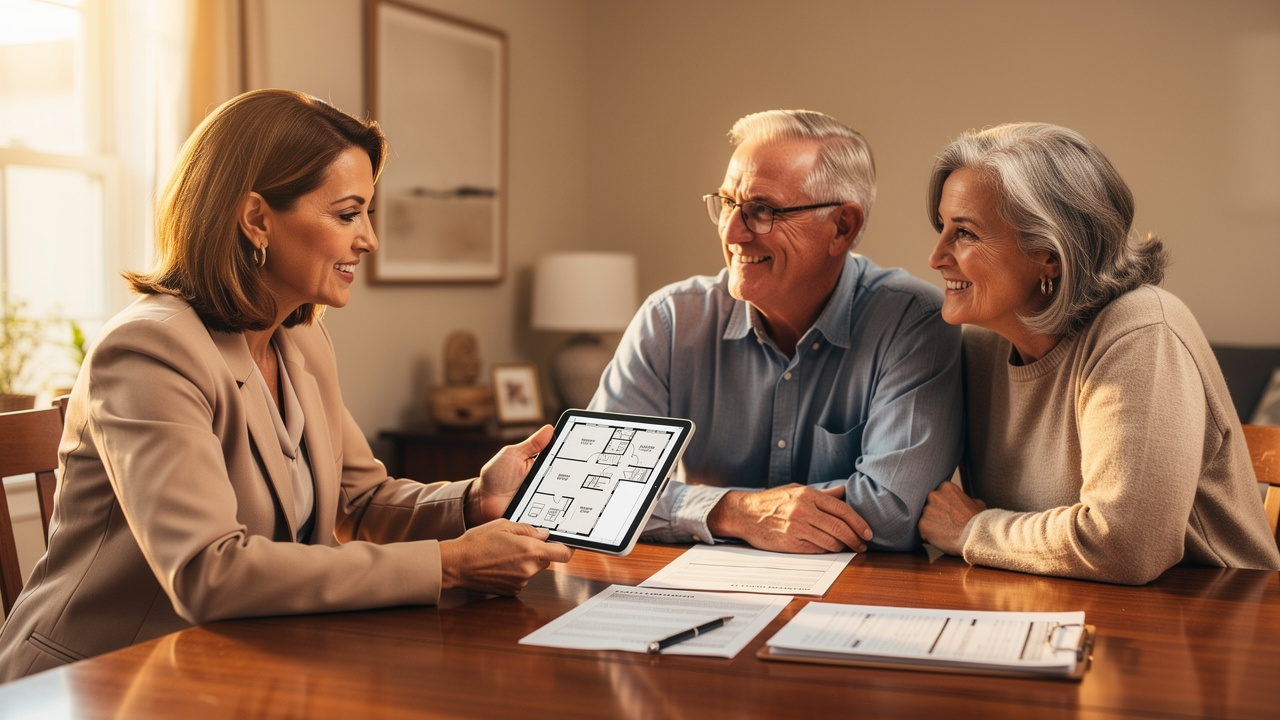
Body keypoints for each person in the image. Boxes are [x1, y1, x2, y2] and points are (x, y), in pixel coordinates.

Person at [0, 89, 572, 682]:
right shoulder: (150, 350)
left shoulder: (301, 340)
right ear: (256, 219)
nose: (369, 239)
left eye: (368, 214)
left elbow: (358, 501)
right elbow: (207, 571)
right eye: (347, 214)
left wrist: (474, 500)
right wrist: (448, 564)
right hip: (94, 681)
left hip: (235, 666)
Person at [917, 122, 1280, 584]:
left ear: (1050, 254)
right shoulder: (981, 345)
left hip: (1210, 612)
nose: (936, 256)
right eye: (942, 227)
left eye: (965, 233)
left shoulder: (1142, 330)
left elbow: (1125, 544)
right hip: (1055, 604)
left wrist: (973, 530)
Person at [589, 110, 963, 553]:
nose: (732, 233)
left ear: (842, 227)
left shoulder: (912, 321)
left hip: (858, 592)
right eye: (727, 203)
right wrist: (735, 511)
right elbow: (596, 492)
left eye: (761, 211)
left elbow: (893, 514)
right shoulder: (670, 320)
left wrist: (680, 505)